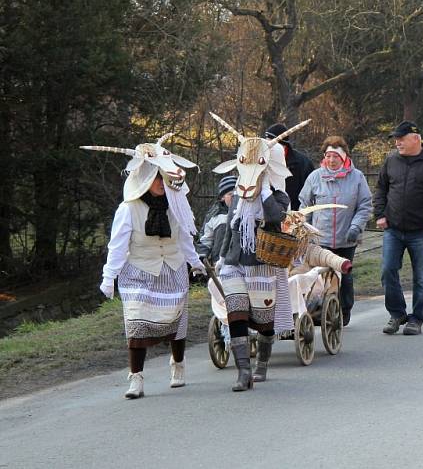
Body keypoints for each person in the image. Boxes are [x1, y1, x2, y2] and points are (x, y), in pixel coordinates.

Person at [85, 136, 204, 399]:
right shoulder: (128, 210)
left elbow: (185, 238)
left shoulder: (177, 205)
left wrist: (195, 263)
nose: (162, 184)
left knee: (176, 321)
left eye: (164, 178)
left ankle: (178, 365)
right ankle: (136, 379)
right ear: (146, 179)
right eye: (157, 178)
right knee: (136, 323)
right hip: (139, 272)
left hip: (172, 270)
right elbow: (117, 246)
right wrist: (109, 278)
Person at [211, 117, 307, 391]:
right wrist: (220, 258)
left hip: (263, 265)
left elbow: (276, 219)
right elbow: (231, 226)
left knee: (264, 321)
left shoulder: (279, 195)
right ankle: (243, 372)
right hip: (235, 262)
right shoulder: (238, 196)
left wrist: (263, 191)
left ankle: (262, 363)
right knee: (236, 311)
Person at [374, 121, 423, 336]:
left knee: (421, 277)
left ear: (415, 138)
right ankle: (397, 313)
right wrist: (379, 214)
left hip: (421, 231)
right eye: (395, 139)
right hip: (393, 228)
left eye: (401, 138)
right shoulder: (391, 160)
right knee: (388, 269)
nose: (397, 142)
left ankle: (416, 319)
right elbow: (380, 188)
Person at [299, 136, 373, 326]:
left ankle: (345, 309)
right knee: (319, 275)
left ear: (344, 157)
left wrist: (356, 227)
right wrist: (304, 231)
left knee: (344, 274)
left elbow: (364, 205)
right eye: (328, 156)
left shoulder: (356, 177)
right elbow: (304, 206)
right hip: (320, 239)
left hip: (346, 237)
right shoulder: (315, 177)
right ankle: (320, 309)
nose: (332, 160)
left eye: (336, 157)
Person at [265, 123, 315, 210]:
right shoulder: (262, 161)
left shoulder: (303, 164)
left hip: (293, 215)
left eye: (271, 145)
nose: (267, 148)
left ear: (282, 146)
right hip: (267, 215)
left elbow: (310, 194)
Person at [196, 175, 236, 264]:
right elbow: (206, 239)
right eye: (230, 194)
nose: (234, 197)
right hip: (220, 263)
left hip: (242, 264)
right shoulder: (215, 216)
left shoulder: (246, 214)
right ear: (222, 197)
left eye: (236, 194)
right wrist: (202, 256)